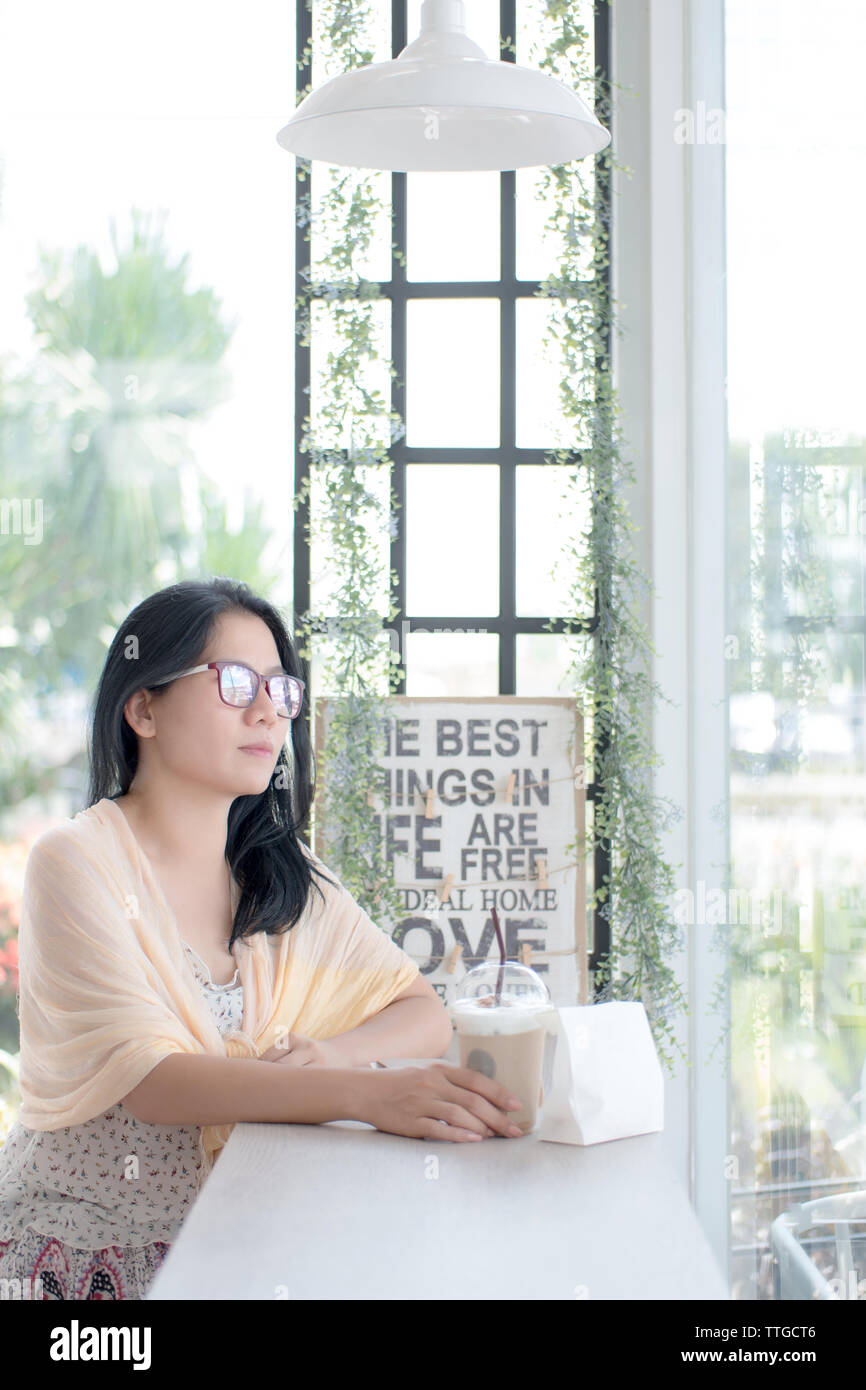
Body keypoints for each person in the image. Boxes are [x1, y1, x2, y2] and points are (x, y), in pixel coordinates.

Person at [0, 577, 523, 1300]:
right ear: (143, 707)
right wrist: (364, 1095)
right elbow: (153, 1081)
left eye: (281, 690)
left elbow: (421, 1011)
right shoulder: (75, 862)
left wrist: (331, 1054)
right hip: (84, 1260)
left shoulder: (281, 870)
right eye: (236, 682)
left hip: (237, 1241)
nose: (265, 712)